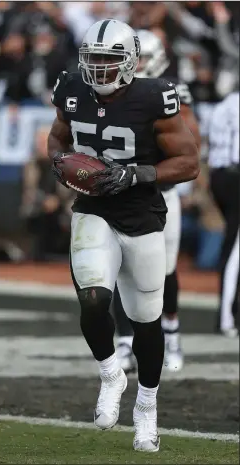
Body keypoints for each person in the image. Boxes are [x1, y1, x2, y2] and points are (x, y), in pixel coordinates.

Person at [48, 19, 199, 452]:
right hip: (94, 210)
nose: (97, 68)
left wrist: (135, 174)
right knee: (94, 300)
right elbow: (58, 139)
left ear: (130, 62)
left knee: (146, 321)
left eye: (108, 60)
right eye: (91, 59)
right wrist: (64, 165)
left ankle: (147, 407)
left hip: (143, 213)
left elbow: (188, 162)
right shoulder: (71, 88)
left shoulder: (155, 96)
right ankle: (111, 373)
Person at [113, 29, 201, 374]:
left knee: (164, 269)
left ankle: (172, 334)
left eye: (144, 58)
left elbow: (189, 137)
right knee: (122, 269)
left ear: (158, 58)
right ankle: (124, 342)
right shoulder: (115, 91)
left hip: (160, 191)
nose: (137, 65)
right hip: (124, 191)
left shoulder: (170, 89)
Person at [208, 90, 239, 337]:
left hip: (220, 174)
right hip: (235, 173)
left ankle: (231, 312)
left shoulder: (225, 104)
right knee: (235, 246)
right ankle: (227, 316)